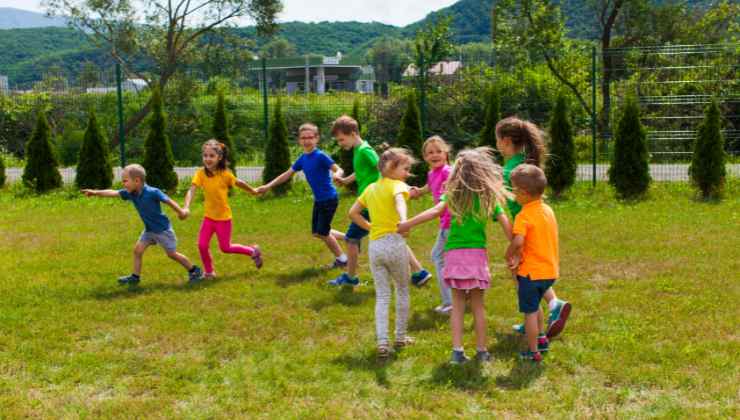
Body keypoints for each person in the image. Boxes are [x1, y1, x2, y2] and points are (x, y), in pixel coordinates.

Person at [399, 148, 512, 364]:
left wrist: (407, 223)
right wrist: (516, 245)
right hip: (477, 255)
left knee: (458, 305)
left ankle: (457, 352)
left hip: (454, 255)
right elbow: (506, 224)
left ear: (457, 172)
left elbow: (434, 212)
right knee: (478, 306)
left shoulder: (451, 194)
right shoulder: (487, 196)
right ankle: (481, 351)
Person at [329, 115, 431, 287]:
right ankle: (419, 272)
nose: (340, 143)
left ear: (353, 133)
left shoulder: (365, 151)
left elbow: (386, 169)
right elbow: (363, 172)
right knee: (392, 236)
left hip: (371, 203)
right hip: (370, 200)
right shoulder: (359, 150)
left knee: (351, 239)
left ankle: (350, 278)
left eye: (341, 139)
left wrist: (401, 188)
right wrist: (347, 180)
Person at [496, 116, 571, 338]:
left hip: (523, 226)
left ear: (506, 141)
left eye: (497, 140)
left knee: (524, 277)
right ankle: (542, 313)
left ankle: (538, 320)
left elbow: (505, 201)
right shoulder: (525, 160)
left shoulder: (510, 170)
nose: (497, 145)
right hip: (538, 221)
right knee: (535, 274)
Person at [82, 164, 202, 286]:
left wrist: (181, 212)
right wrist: (95, 192)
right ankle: (135, 277)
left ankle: (194, 270)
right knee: (137, 251)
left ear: (137, 181)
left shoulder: (152, 192)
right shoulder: (131, 193)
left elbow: (168, 201)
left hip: (162, 230)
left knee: (172, 254)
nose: (123, 184)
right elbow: (113, 192)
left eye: (125, 181)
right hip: (149, 230)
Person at [349, 148, 416, 359]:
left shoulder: (370, 188)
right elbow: (399, 201)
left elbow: (352, 213)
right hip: (395, 244)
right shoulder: (397, 185)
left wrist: (369, 227)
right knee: (403, 289)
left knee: (383, 295)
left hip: (375, 245)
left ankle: (382, 342)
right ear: (391, 168)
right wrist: (403, 221)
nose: (407, 173)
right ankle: (400, 336)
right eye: (405, 169)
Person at [256, 123, 348, 267]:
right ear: (299, 140)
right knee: (317, 233)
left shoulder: (320, 156)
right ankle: (349, 238)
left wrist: (337, 175)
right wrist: (268, 186)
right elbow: (287, 175)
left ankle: (342, 260)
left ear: (316, 138)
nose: (306, 140)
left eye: (310, 137)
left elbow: (339, 169)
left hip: (329, 199)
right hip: (319, 200)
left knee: (323, 233)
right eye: (303, 138)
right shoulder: (302, 159)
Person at [504, 164, 560, 362]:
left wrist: (508, 253)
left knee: (529, 312)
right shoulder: (548, 210)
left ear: (525, 193)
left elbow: (518, 241)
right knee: (536, 306)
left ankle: (533, 351)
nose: (513, 194)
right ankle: (542, 337)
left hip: (530, 273)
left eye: (514, 190)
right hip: (549, 271)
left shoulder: (523, 215)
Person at [183, 140, 262, 278]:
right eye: (205, 155)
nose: (207, 159)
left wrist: (253, 191)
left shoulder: (225, 174)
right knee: (202, 245)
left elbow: (239, 182)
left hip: (224, 219)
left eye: (211, 156)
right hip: (208, 218)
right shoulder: (200, 173)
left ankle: (252, 251)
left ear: (219, 157)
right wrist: (186, 206)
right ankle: (209, 272)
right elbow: (192, 189)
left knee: (225, 248)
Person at [409, 135, 454, 314]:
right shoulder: (432, 173)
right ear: (425, 157)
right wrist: (417, 192)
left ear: (446, 153)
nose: (434, 155)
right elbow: (429, 186)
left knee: (438, 256)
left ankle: (450, 302)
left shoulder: (448, 172)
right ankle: (462, 294)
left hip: (451, 222)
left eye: (438, 151)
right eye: (430, 153)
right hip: (446, 223)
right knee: (449, 259)